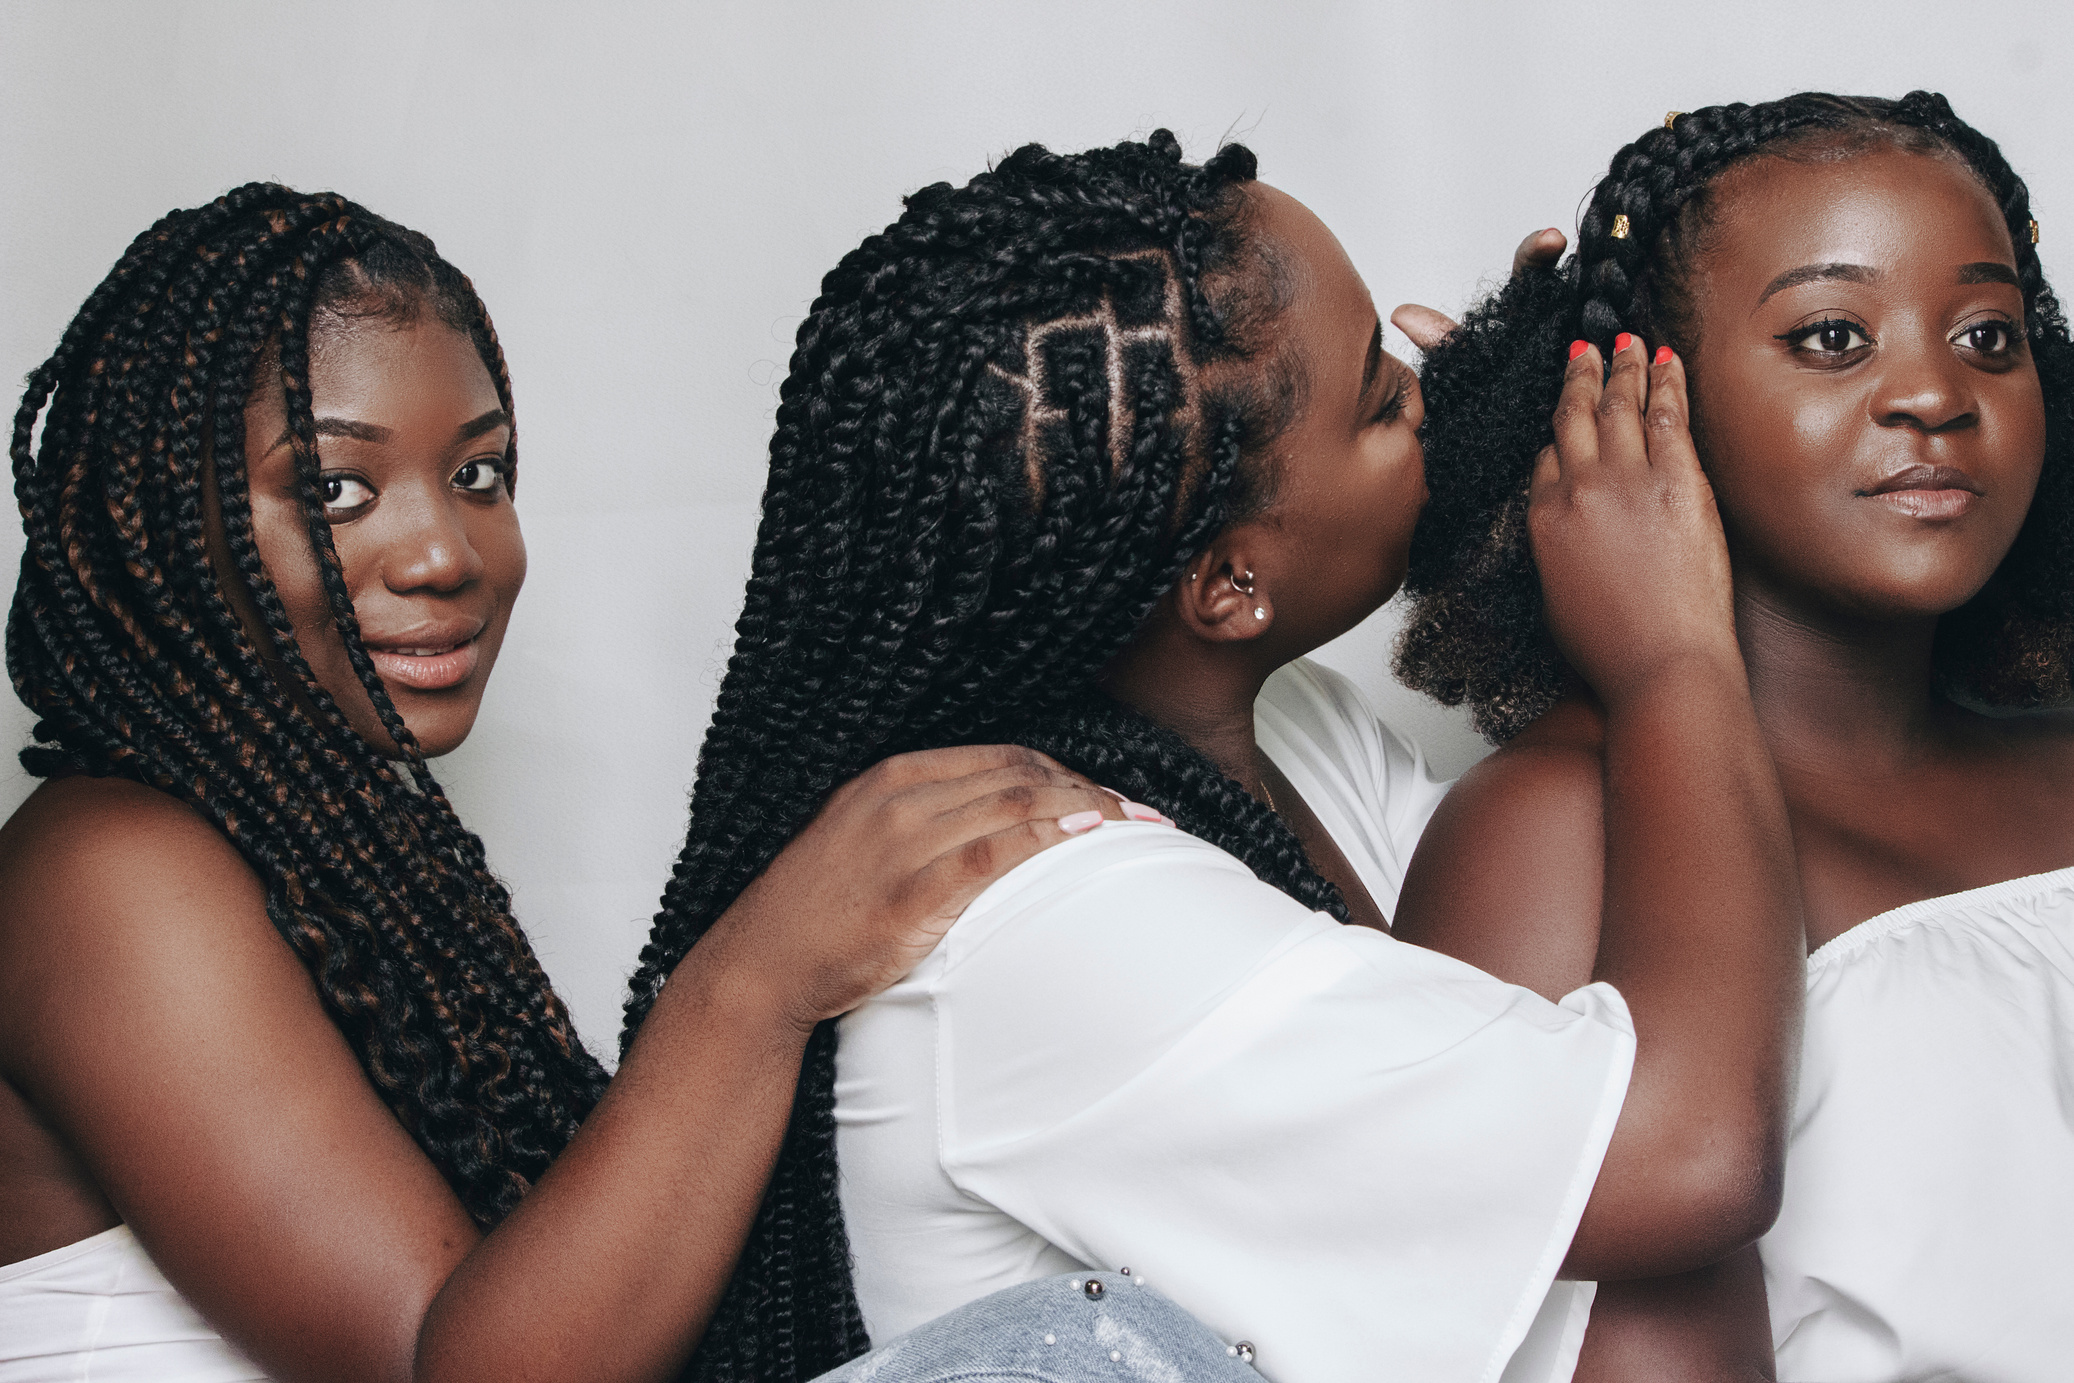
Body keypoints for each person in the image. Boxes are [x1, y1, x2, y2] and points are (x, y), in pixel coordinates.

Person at [621, 131, 1803, 1382]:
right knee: (1656, 1291)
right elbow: (1687, 1156)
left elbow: (1530, 986)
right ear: (1232, 583)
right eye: (1378, 397)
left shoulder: (1279, 736)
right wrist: (1673, 653)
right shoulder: (1056, 915)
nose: (1423, 383)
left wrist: (1512, 469)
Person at [0, 185, 1140, 1383]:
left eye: (480, 474)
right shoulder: (107, 872)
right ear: (136, 526)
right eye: (336, 488)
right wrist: (759, 976)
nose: (444, 553)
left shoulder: (327, 859)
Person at [1397, 91, 2074, 1381]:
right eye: (1831, 336)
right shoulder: (1554, 829)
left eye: (1990, 334)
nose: (1934, 390)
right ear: (1638, 401)